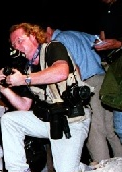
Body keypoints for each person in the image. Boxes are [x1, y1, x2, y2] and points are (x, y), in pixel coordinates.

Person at [0, 23, 91, 172]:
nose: (17, 47)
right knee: (9, 120)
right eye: (14, 44)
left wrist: (24, 80)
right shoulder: (28, 69)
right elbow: (24, 106)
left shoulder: (52, 48)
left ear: (34, 36)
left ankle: (90, 170)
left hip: (73, 119)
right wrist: (5, 89)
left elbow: (61, 71)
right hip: (52, 120)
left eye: (20, 40)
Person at [45, 24, 122, 163]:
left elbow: (75, 67)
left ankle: (102, 168)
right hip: (104, 80)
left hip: (88, 84)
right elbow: (100, 42)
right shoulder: (77, 33)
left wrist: (76, 94)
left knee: (94, 130)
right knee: (112, 129)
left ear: (49, 30)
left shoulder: (57, 43)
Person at [94, 0, 122, 143]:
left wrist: (118, 44)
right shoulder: (105, 11)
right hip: (115, 68)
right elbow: (103, 36)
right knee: (119, 127)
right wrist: (101, 43)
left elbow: (116, 42)